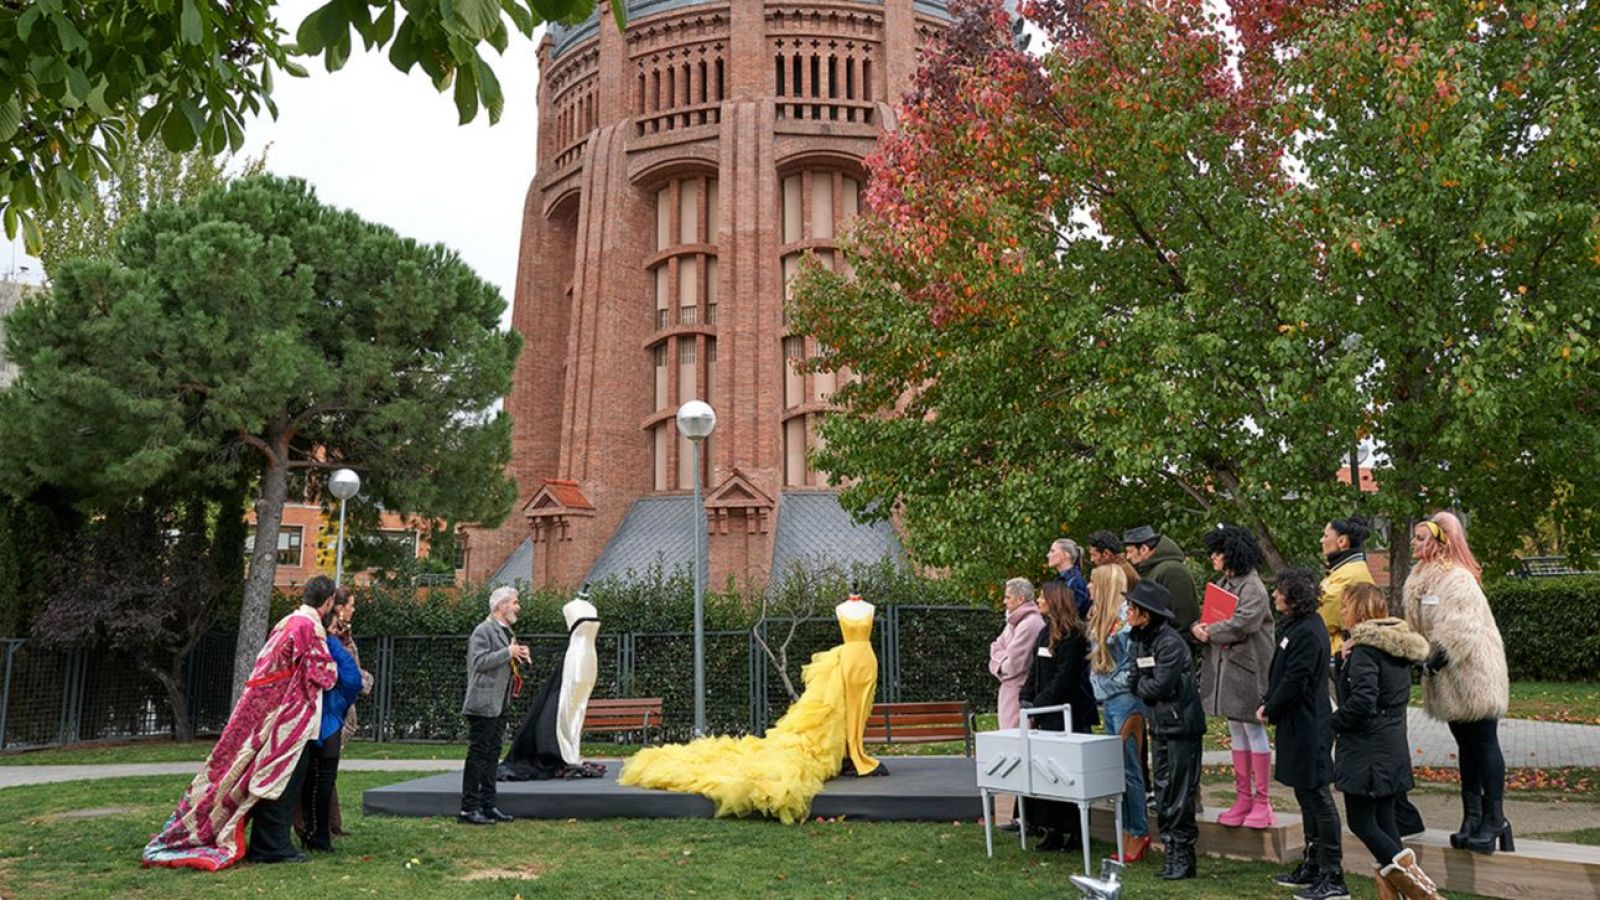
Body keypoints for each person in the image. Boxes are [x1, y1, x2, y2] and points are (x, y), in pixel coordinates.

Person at [618, 587, 886, 823]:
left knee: (859, 710)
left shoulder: (867, 608)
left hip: (864, 662)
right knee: (838, 710)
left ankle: (856, 752)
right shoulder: (843, 608)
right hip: (848, 661)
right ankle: (853, 756)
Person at [142, 577, 340, 870]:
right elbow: (324, 674)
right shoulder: (310, 628)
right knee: (281, 780)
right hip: (288, 719)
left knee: (270, 777)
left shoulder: (287, 622)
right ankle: (271, 845)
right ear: (327, 602)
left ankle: (270, 842)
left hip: (268, 711)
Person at [1404, 511, 1512, 855]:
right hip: (1447, 676)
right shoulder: (1419, 580)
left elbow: (1463, 626)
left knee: (1483, 742)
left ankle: (1495, 819)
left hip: (1473, 671)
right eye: (1415, 538)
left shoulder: (1457, 579)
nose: (1415, 543)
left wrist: (1437, 656)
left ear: (1439, 542)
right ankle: (1473, 817)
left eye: (1422, 538)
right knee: (1466, 745)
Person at [1318, 513, 1426, 839]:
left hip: (1367, 735)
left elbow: (1322, 612)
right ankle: (1400, 842)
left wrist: (1331, 723)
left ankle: (1401, 849)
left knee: (1367, 818)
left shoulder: (1349, 577)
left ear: (1342, 541)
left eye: (1325, 534)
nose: (1321, 540)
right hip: (1349, 670)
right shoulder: (1342, 572)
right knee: (1383, 805)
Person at [1334, 583, 1440, 900]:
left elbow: (1362, 700)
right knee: (1384, 820)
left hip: (1367, 746)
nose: (1341, 611)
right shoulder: (1394, 648)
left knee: (1362, 821)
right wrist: (1342, 663)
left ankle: (1419, 887)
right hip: (1390, 742)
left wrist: (1333, 722)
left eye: (1345, 605)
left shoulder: (1367, 650)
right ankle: (1397, 892)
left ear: (1359, 610)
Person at [1258, 567, 1344, 898]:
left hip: (1310, 725)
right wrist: (1268, 699)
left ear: (1295, 596)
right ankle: (1313, 863)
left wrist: (1270, 708)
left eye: (1280, 590)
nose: (1275, 595)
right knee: (1306, 796)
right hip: (1296, 724)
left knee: (1317, 796)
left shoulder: (1309, 631)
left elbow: (1298, 679)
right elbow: (1282, 673)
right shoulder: (1295, 626)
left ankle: (1333, 874)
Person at [1194, 525, 1276, 830]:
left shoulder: (1252, 586)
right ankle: (1244, 797)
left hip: (1248, 669)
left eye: (1217, 552)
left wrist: (1209, 631)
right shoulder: (1226, 583)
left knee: (1253, 729)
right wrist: (1199, 627)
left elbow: (1244, 623)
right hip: (1229, 669)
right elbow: (1212, 616)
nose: (1213, 558)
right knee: (1236, 729)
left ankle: (1262, 801)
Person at [1126, 580, 1204, 881]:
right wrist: (1145, 684)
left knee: (1179, 793)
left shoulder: (1170, 643)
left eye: (1132, 608)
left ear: (1146, 614)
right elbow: (1134, 680)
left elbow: (1158, 684)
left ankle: (1182, 856)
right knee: (1163, 791)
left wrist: (1144, 684)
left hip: (1180, 725)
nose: (1128, 612)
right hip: (1159, 723)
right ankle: (1172, 852)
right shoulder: (1141, 641)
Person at [1018, 580, 1099, 852]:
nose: (1039, 600)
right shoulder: (1044, 633)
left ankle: (1075, 831)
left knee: (1069, 774)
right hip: (1045, 714)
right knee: (1046, 773)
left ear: (1055, 600)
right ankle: (1051, 828)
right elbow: (1035, 670)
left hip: (1068, 714)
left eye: (1042, 596)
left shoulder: (1073, 635)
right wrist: (1026, 698)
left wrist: (1040, 703)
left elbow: (1065, 678)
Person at [1086, 563, 1150, 863]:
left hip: (1127, 702)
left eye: (1093, 582)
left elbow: (1133, 669)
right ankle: (1126, 830)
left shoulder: (1127, 620)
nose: (1088, 587)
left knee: (1129, 770)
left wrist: (1106, 683)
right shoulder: (1101, 617)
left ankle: (1138, 831)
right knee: (1119, 772)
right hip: (1110, 702)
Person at [298, 587, 364, 852]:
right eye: (350, 604)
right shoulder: (326, 640)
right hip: (324, 716)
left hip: (327, 714)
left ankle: (320, 832)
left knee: (318, 777)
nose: (353, 609)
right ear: (332, 608)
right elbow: (350, 677)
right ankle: (315, 833)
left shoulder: (324, 638)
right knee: (319, 777)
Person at [460, 586, 532, 826]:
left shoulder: (505, 630)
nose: (517, 607)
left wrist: (518, 653)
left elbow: (503, 658)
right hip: (483, 703)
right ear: (501, 605)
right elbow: (479, 662)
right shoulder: (483, 630)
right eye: (514, 602)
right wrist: (507, 652)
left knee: (492, 755)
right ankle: (469, 808)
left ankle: (487, 805)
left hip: (500, 702)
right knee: (478, 755)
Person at [988, 577, 1046, 832]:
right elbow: (996, 648)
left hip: (1018, 691)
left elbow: (1013, 664)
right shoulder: (1014, 622)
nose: (1004, 601)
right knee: (1015, 749)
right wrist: (1000, 660)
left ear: (1021, 599)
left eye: (1008, 597)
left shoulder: (1030, 623)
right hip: (1010, 690)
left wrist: (999, 661)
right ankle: (1020, 814)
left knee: (1021, 749)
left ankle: (1027, 816)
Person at [1123, 525, 1199, 638]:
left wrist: (1171, 648)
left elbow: (1184, 618)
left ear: (1144, 549)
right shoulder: (1155, 570)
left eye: (1130, 551)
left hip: (1172, 647)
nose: (1128, 557)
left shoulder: (1171, 570)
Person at [1047, 538, 1091, 618]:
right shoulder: (1061, 580)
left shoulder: (1075, 581)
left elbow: (1075, 614)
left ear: (1065, 555)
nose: (1048, 555)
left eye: (1053, 551)